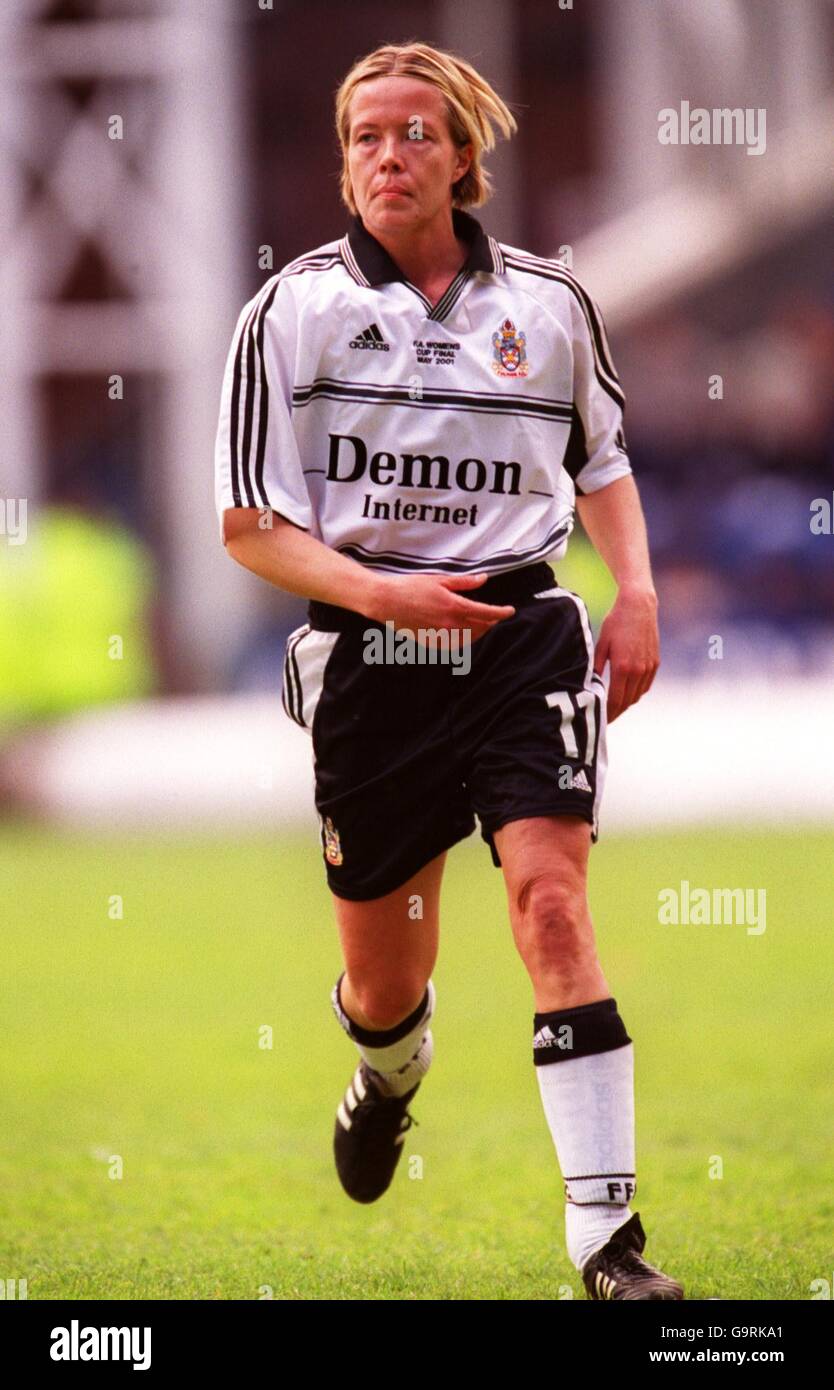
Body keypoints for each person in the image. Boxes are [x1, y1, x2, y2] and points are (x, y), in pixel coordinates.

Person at [215, 41, 683, 1301]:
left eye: (414, 133)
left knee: (552, 910)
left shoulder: (551, 306)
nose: (386, 155)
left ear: (463, 158)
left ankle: (608, 1243)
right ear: (342, 162)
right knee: (386, 983)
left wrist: (632, 593)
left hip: (523, 638)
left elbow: (604, 466)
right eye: (364, 137)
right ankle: (386, 1071)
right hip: (374, 660)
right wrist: (381, 593)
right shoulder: (289, 313)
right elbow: (250, 524)